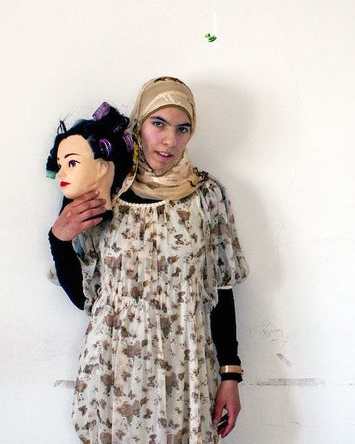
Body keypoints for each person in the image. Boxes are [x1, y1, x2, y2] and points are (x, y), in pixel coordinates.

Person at [48, 77, 249, 443]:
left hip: (185, 366)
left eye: (182, 128)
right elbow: (85, 299)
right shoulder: (102, 190)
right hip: (115, 366)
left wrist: (230, 375)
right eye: (158, 124)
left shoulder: (207, 197)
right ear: (138, 124)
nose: (169, 140)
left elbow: (221, 288)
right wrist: (59, 240)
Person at [46, 102, 134, 211]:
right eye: (59, 165)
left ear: (101, 167)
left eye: (72, 163)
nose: (60, 173)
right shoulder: (64, 222)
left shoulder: (135, 220)